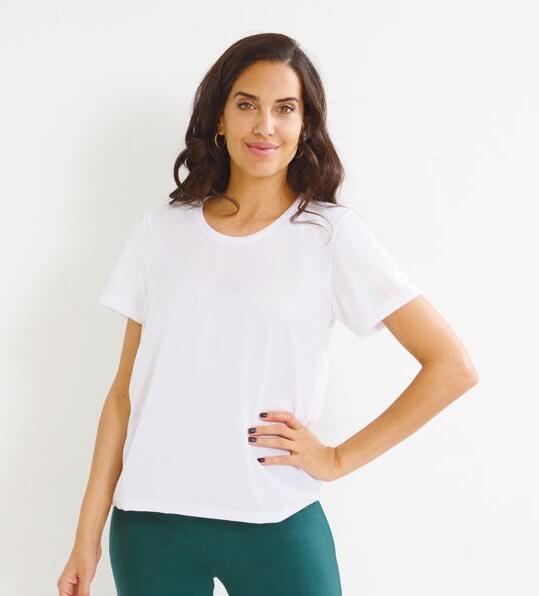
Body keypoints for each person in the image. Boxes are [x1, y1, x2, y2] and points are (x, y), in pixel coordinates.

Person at [57, 32, 478, 596]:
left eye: (285, 108)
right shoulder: (161, 232)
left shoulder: (330, 235)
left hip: (276, 522)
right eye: (247, 104)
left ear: (305, 125)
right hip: (151, 525)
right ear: (220, 117)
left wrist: (336, 458)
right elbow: (122, 395)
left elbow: (451, 366)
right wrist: (86, 536)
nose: (265, 126)